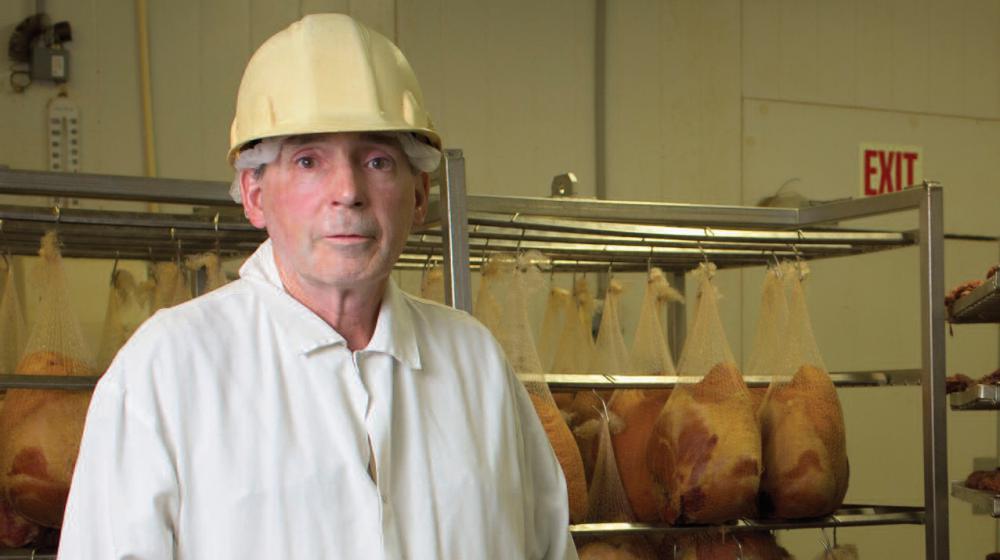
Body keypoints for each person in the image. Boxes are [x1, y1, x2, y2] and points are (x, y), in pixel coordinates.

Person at [58, 13, 577, 560]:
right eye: (309, 160)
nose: (348, 191)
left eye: (377, 161)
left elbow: (547, 549)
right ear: (254, 194)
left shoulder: (476, 363)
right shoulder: (166, 371)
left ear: (420, 194)